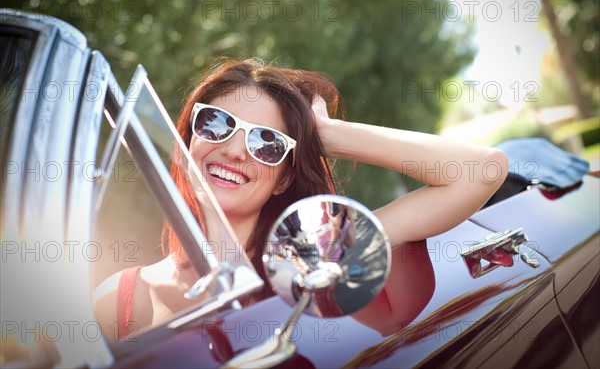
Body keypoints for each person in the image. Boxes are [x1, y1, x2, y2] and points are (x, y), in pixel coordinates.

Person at [93, 58, 508, 340]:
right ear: (188, 141)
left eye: (267, 143)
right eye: (216, 123)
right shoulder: (119, 300)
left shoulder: (323, 269)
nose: (237, 151)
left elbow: (483, 171)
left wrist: (324, 135)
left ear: (283, 178)